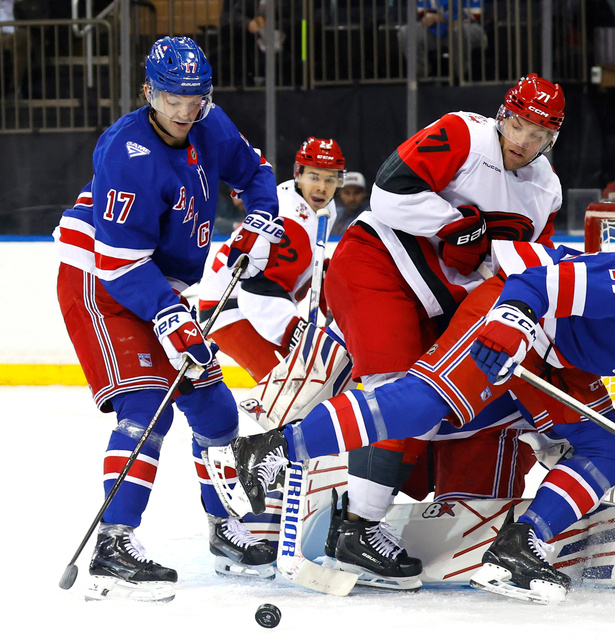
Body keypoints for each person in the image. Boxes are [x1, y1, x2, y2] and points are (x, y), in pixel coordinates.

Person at [212, 242, 615, 604]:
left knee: (612, 447)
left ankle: (519, 544)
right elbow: (540, 285)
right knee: (427, 404)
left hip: (562, 369)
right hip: (514, 313)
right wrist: (510, 326)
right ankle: (274, 447)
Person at [52, 36, 283, 601]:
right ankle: (114, 545)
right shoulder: (124, 152)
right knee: (147, 405)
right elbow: (120, 260)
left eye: (195, 97)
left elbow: (257, 175)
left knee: (215, 408)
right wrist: (168, 317)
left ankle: (223, 530)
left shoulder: (211, 124)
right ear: (148, 91)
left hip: (160, 283)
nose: (185, 111)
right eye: (172, 97)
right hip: (103, 279)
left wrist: (258, 221)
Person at [315, 73, 564, 586]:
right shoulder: (462, 134)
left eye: (538, 134)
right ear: (503, 115)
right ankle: (357, 526)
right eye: (518, 124)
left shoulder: (546, 191)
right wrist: (453, 223)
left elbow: (528, 270)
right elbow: (387, 193)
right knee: (394, 393)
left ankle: (358, 510)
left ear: (552, 139)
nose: (522, 141)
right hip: (376, 266)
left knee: (428, 404)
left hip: (436, 301)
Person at [196, 136, 344, 382]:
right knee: (292, 388)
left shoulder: (314, 206)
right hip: (229, 309)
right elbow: (259, 293)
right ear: (299, 174)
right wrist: (298, 333)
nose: (322, 187)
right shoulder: (290, 218)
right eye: (314, 177)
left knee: (307, 387)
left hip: (248, 304)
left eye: (330, 179)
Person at [400, 1, 489, 79]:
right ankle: (422, 76)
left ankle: (462, 76)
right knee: (406, 32)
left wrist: (439, 18)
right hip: (436, 28)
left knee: (457, 30)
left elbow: (474, 16)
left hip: (470, 28)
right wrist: (443, 20)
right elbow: (424, 16)